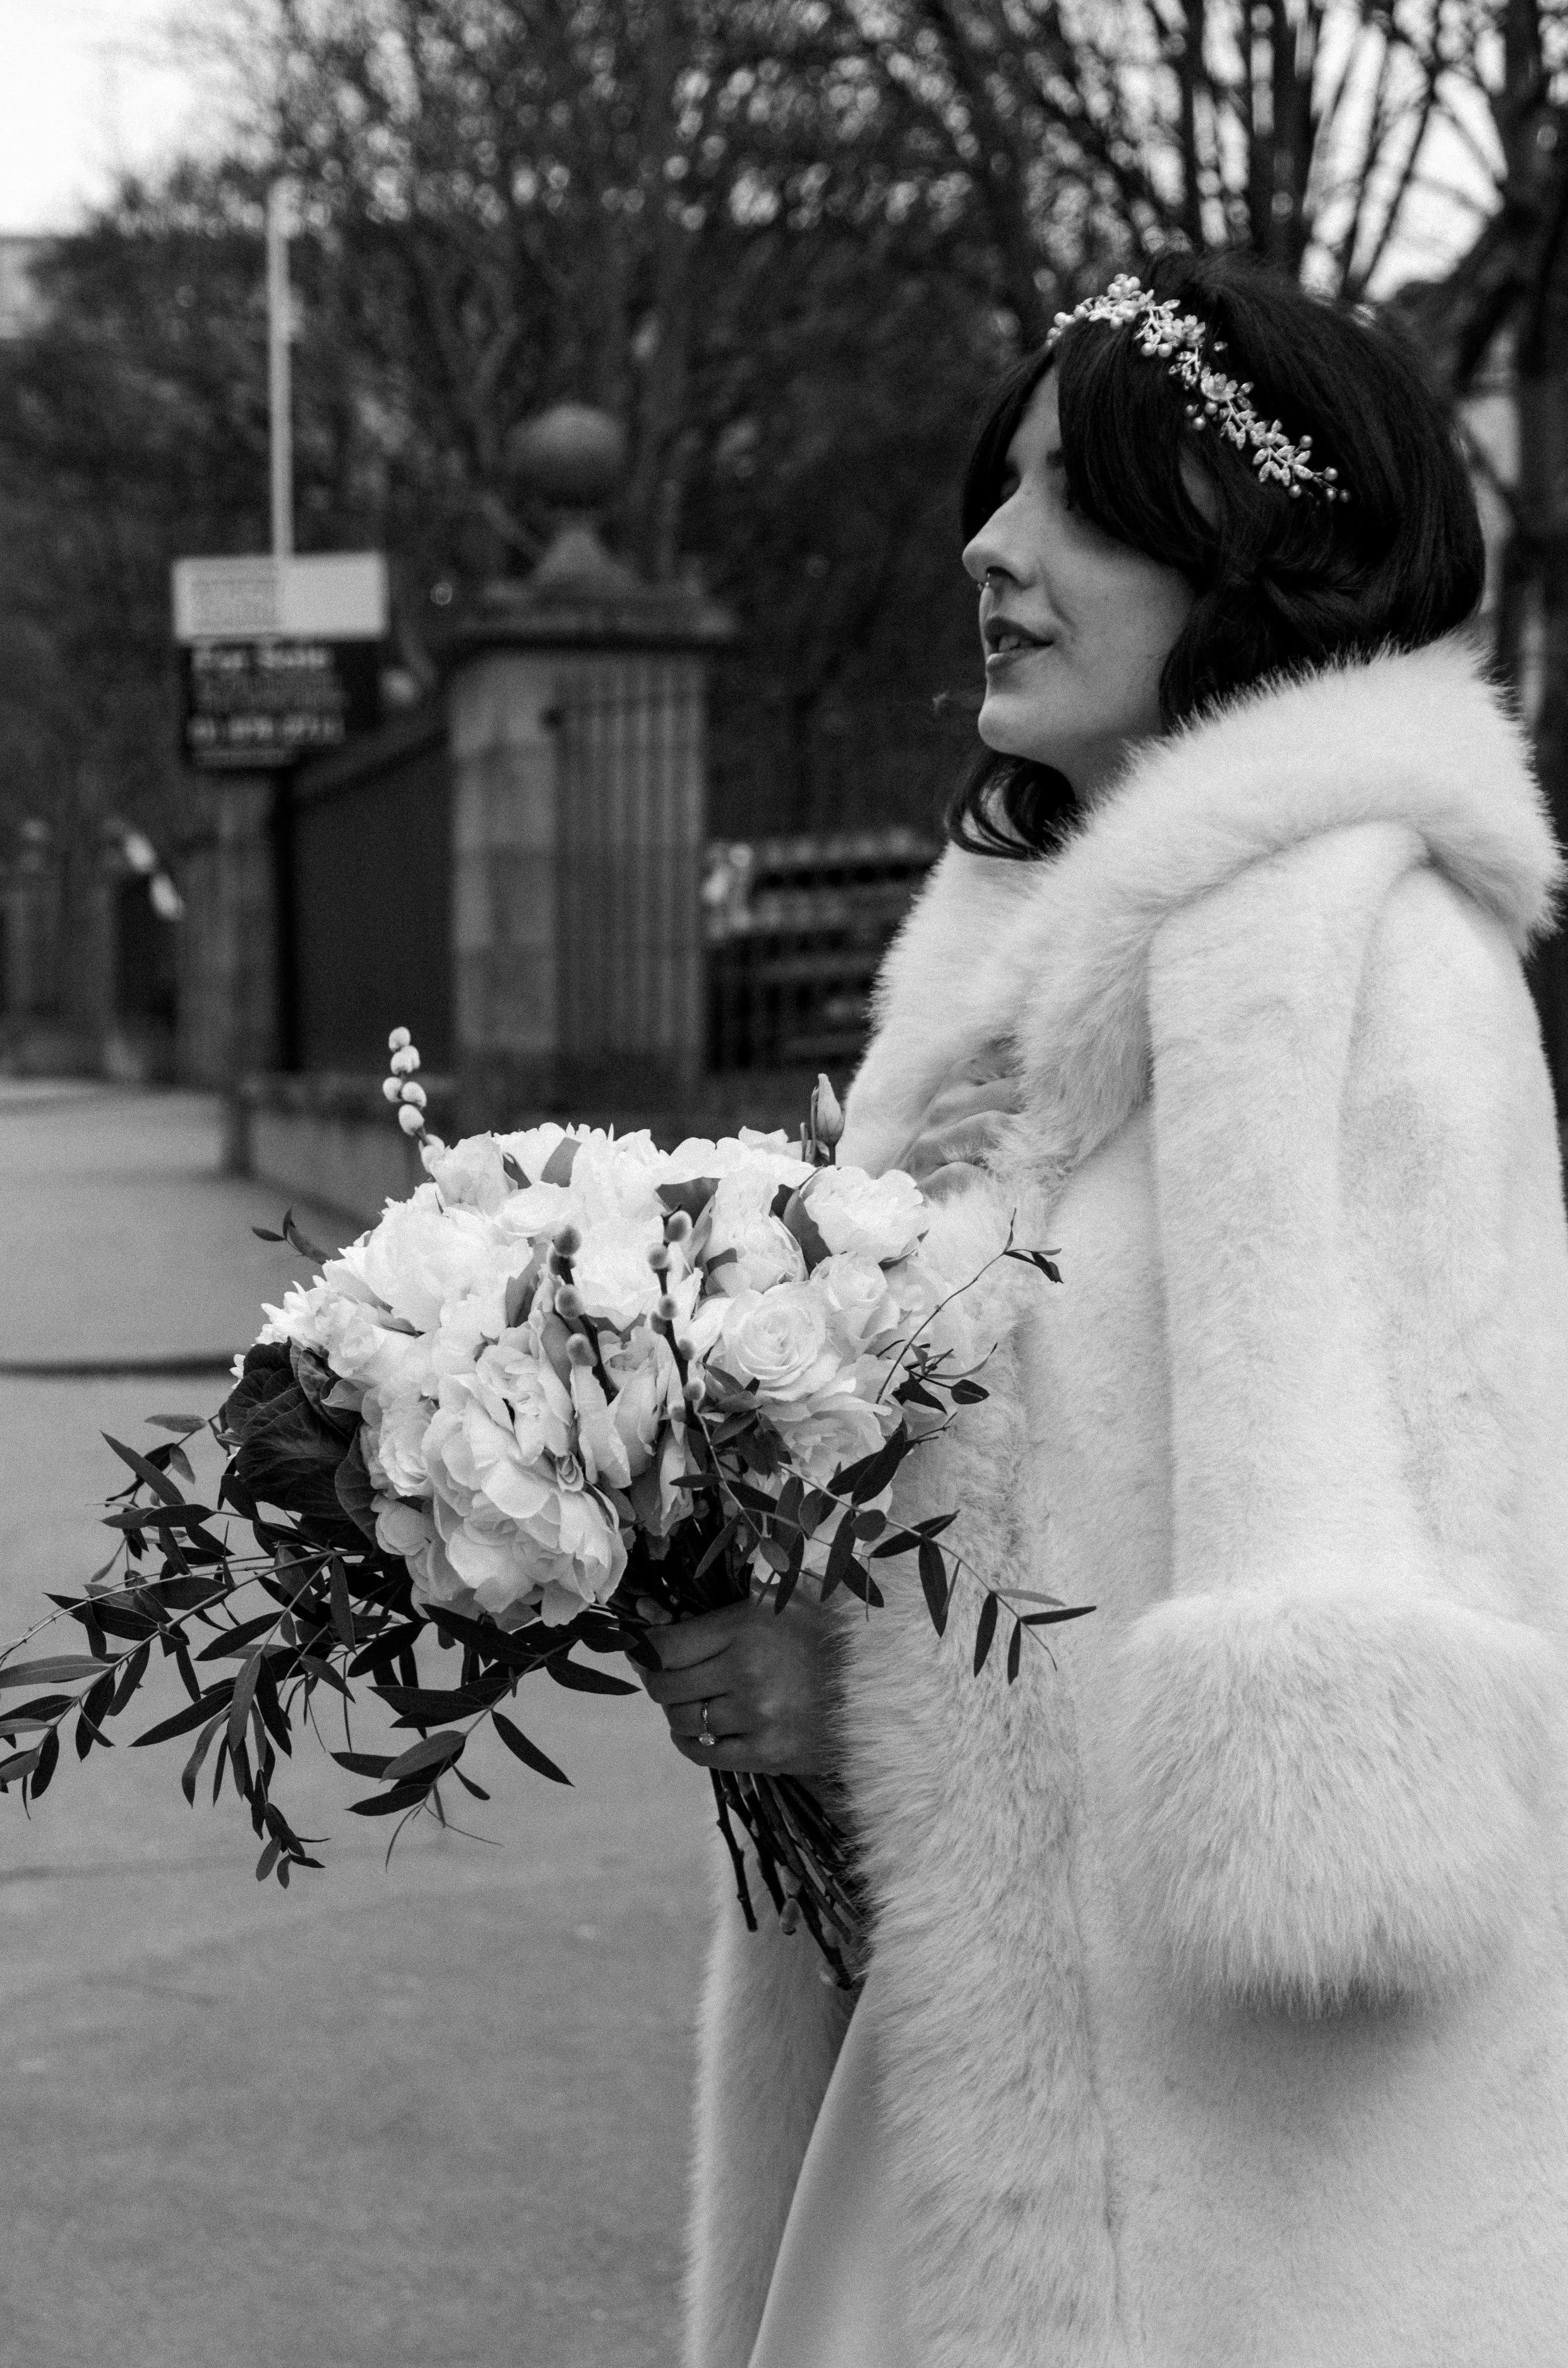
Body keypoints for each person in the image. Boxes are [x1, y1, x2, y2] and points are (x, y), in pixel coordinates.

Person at [638, 256, 1568, 2366]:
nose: (988, 544)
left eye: (1072, 496)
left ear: (1242, 549)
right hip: (995, 2055)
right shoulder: (1019, 958)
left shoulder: (1369, 963)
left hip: (1241, 2187)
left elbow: (1385, 1732)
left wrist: (841, 1691)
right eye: (1001, 486)